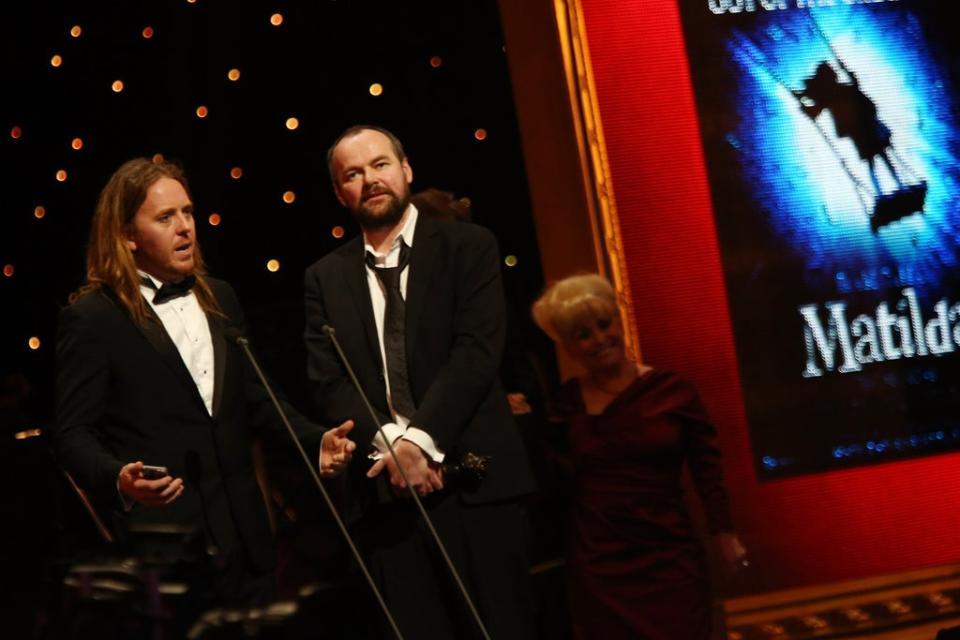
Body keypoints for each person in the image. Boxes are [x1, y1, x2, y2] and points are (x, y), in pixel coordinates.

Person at [54, 157, 356, 612]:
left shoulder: (221, 296)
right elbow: (72, 434)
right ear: (126, 235)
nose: (185, 228)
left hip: (247, 538)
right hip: (170, 551)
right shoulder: (94, 317)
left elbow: (258, 398)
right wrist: (118, 478)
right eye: (165, 217)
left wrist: (316, 442)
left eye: (188, 212)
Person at [304, 125, 535, 639]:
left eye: (381, 165)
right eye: (353, 173)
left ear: (406, 170)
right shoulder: (325, 277)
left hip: (478, 487)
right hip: (387, 497)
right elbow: (329, 379)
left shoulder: (468, 246)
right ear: (339, 193)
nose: (371, 179)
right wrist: (391, 443)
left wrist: (419, 442)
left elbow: (475, 353)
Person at [532, 273, 747, 640]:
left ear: (619, 320)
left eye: (604, 325)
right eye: (583, 335)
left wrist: (723, 532)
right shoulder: (563, 406)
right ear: (569, 347)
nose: (600, 340)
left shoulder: (673, 392)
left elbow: (707, 470)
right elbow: (549, 480)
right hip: (600, 564)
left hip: (670, 554)